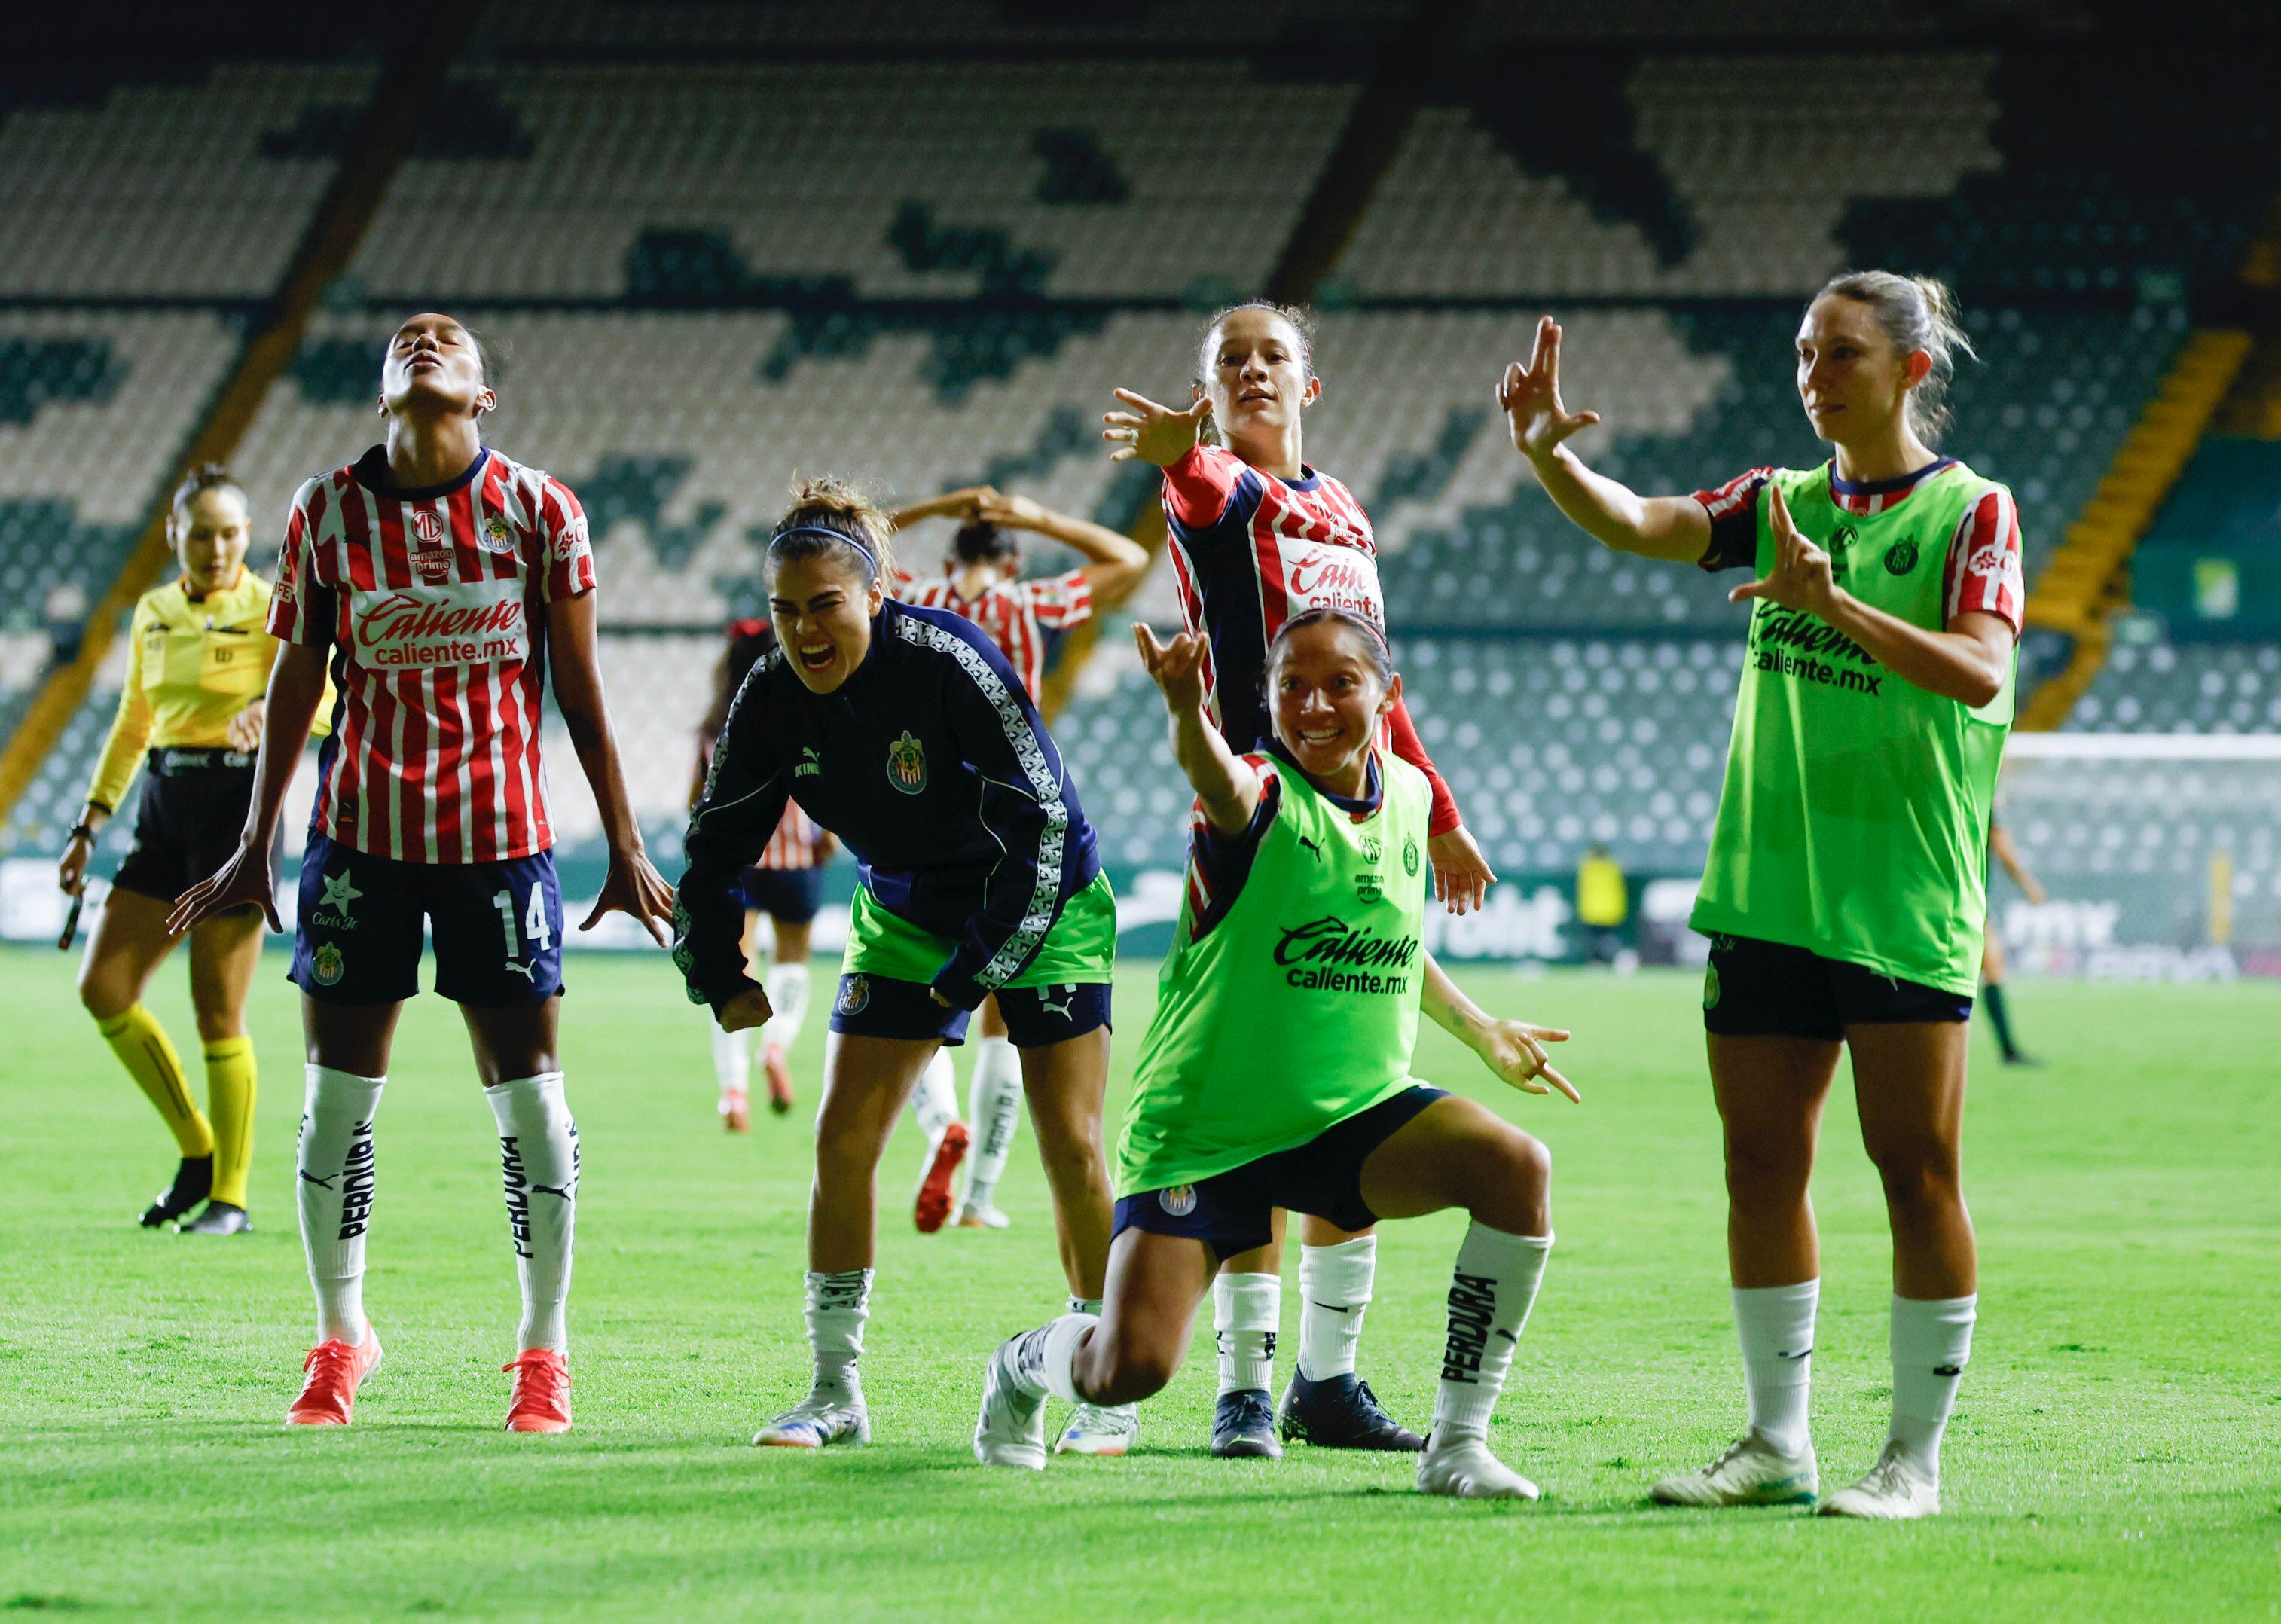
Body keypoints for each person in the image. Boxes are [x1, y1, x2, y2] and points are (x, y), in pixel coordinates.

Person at [1502, 271, 2024, 1519]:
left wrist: (1830, 603)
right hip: (1763, 890)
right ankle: (1776, 1440)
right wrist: (1544, 460)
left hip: (1898, 897)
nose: (1811, 373)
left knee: (1913, 1173)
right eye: (1801, 351)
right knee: (1755, 1166)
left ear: (1908, 369)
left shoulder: (1970, 512)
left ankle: (1912, 1459)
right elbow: (1637, 520)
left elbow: (1975, 673)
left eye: (1839, 352)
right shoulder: (1773, 502)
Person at [169, 312, 675, 1433]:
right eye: (409, 337)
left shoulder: (543, 511)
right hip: (361, 844)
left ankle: (544, 1352)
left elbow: (580, 689)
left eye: (450, 338)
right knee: (336, 1104)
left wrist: (626, 840)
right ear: (384, 388)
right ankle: (339, 1336)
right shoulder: (325, 511)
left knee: (531, 1100)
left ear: (483, 395)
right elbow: (299, 678)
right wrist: (257, 841)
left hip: (502, 846)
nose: (428, 338)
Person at [974, 607, 1577, 1500]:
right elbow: (1215, 777)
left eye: (1341, 682)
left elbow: (1391, 935)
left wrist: (1480, 1028)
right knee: (1128, 1367)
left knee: (1515, 1167)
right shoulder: (1257, 794)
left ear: (1388, 694)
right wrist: (1186, 711)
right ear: (1264, 699)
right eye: (1291, 684)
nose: (1315, 704)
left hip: (1349, 1116)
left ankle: (1457, 1442)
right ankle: (1022, 1365)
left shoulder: (1408, 794)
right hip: (1207, 1132)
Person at [1101, 301, 1498, 1458]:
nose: (1253, 371)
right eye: (1232, 362)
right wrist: (1180, 451)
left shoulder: (1345, 511)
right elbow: (1201, 496)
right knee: (1257, 1091)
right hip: (1258, 821)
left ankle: (1328, 1380)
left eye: (1274, 356)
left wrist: (1446, 813)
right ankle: (1242, 1386)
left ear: (1310, 386)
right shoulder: (1224, 489)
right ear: (1212, 395)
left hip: (1372, 820)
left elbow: (1381, 682)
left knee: (1357, 1080)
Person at [674, 477, 1135, 1457]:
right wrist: (716, 967)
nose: (804, 630)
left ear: (876, 596)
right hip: (903, 908)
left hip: (1040, 897)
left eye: (825, 605)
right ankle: (834, 1393)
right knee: (843, 1143)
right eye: (785, 610)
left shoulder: (954, 661)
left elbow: (1045, 825)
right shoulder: (768, 693)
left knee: (1071, 1144)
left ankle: (1106, 1389)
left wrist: (966, 981)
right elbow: (717, 842)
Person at [59, 464, 325, 1236]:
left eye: (231, 533)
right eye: (202, 532)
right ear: (175, 533)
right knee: (104, 986)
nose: (217, 547)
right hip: (162, 808)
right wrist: (88, 824)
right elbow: (133, 723)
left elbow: (327, 693)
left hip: (237, 813)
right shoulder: (153, 612)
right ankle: (198, 1149)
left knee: (218, 1009)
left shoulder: (275, 606)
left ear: (250, 536)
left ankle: (232, 1198)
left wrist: (266, 711)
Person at [884, 485, 1148, 1229]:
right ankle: (978, 1197)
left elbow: (844, 540)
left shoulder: (915, 596)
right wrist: (1033, 513)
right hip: (1013, 817)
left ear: (949, 558)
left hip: (927, 817)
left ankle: (941, 1129)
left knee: (909, 989)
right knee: (1002, 1009)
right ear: (1013, 557)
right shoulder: (1032, 604)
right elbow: (1128, 557)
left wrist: (933, 507)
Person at [690, 617, 838, 1129]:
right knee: (794, 960)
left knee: (737, 969)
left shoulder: (714, 728)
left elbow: (699, 803)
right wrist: (829, 837)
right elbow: (820, 786)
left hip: (741, 863)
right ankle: (776, 1047)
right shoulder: (802, 713)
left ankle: (733, 1092)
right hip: (797, 861)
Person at [1980, 809, 2044, 1066]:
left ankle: (2008, 1049)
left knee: (1993, 965)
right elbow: (2003, 848)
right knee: (1992, 968)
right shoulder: (1986, 793)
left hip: (1961, 899)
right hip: (1966, 901)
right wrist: (2029, 885)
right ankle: (2008, 1049)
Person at [1575, 842, 1627, 967]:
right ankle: (1605, 962)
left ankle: (1599, 963)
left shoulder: (1588, 867)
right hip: (1607, 911)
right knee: (1602, 941)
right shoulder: (1612, 867)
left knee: (1597, 941)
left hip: (1596, 911)